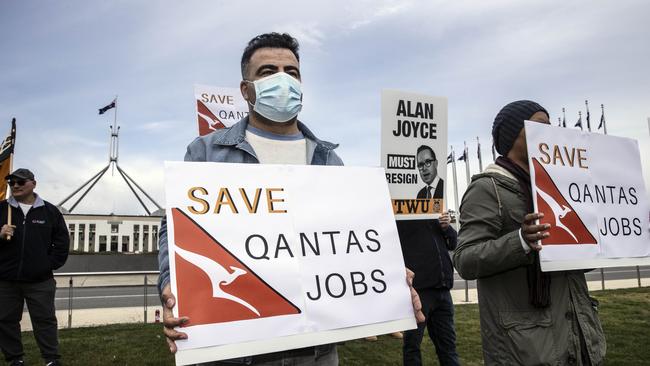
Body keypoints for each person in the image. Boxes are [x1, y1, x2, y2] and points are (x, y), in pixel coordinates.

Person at [157, 32, 424, 366]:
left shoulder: (329, 161)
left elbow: (348, 241)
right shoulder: (206, 152)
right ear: (246, 90)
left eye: (292, 72)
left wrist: (388, 278)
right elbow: (175, 229)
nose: (282, 79)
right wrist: (173, 288)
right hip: (235, 349)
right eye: (268, 72)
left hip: (316, 353)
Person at [453, 100, 606, 365]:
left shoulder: (562, 190)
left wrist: (606, 240)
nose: (550, 131)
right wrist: (521, 241)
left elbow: (577, 265)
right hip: (526, 347)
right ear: (514, 135)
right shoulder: (488, 189)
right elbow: (465, 260)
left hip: (579, 336)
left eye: (551, 125)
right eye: (540, 126)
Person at [0, 168, 70, 366]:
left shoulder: (50, 211)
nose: (15, 185)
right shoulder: (2, 209)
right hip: (6, 280)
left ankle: (51, 359)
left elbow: (62, 242)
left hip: (40, 280)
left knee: (45, 320)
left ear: (33, 184)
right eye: (11, 182)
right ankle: (15, 359)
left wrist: (47, 265)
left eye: (20, 182)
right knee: (5, 321)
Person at [397, 211, 459, 366]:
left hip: (443, 290)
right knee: (412, 346)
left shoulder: (435, 215)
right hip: (419, 291)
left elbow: (453, 243)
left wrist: (447, 227)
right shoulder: (402, 217)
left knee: (448, 347)